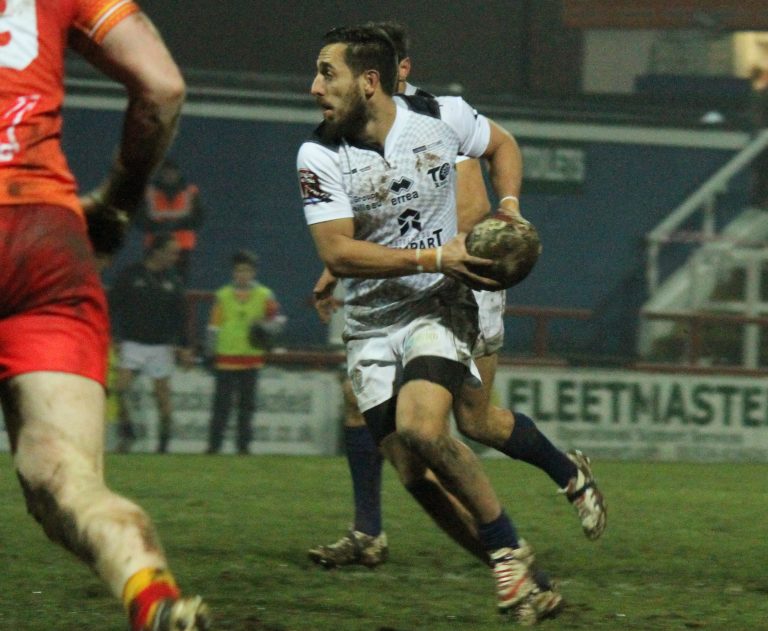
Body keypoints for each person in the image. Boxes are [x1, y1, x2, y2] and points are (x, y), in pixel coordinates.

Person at [308, 21, 606, 571]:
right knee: (371, 407)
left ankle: (564, 478)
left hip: (465, 282)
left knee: (472, 421)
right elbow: (388, 216)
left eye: (393, 64)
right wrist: (340, 263)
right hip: (408, 284)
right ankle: (370, 530)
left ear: (396, 70)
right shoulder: (352, 138)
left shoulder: (438, 119)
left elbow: (471, 204)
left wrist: (507, 211)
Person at [0, 2, 209, 630]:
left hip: (42, 235)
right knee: (62, 473)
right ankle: (152, 595)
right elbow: (162, 87)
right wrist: (118, 202)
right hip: (44, 240)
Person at [110, 233, 194, 454]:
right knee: (120, 388)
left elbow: (180, 317)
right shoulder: (131, 274)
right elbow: (112, 305)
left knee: (162, 397)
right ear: (157, 252)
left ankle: (163, 444)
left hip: (160, 347)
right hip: (133, 343)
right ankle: (127, 432)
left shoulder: (173, 281)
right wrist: (112, 335)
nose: (175, 257)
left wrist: (185, 347)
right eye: (172, 253)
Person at [205, 249, 285, 455]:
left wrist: (264, 326)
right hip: (226, 357)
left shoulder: (264, 295)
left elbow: (277, 321)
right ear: (234, 272)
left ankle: (243, 446)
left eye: (247, 271)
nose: (243, 275)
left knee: (246, 406)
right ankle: (214, 446)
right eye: (239, 271)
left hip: (251, 357)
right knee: (221, 405)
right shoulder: (223, 295)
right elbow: (213, 326)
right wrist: (210, 351)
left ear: (253, 272)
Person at [137, 159, 205, 281]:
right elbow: (139, 219)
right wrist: (157, 227)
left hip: (182, 247)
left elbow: (199, 218)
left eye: (172, 172)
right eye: (166, 172)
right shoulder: (148, 192)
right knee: (151, 281)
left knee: (179, 282)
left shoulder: (191, 192)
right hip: (155, 246)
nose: (169, 175)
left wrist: (176, 225)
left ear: (178, 173)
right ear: (161, 174)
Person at [749, 65, 768, 209]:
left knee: (760, 172)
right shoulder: (761, 94)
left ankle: (758, 199)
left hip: (757, 136)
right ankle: (761, 200)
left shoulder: (754, 93)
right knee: (762, 171)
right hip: (761, 138)